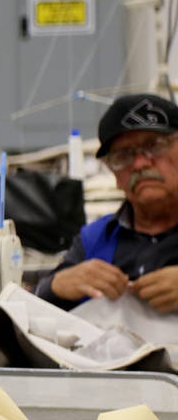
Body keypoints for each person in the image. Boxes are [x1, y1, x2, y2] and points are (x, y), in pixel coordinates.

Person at [35, 93, 178, 313]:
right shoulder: (95, 239)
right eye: (123, 155)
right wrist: (56, 286)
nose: (139, 163)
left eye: (155, 145)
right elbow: (32, 308)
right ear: (114, 173)